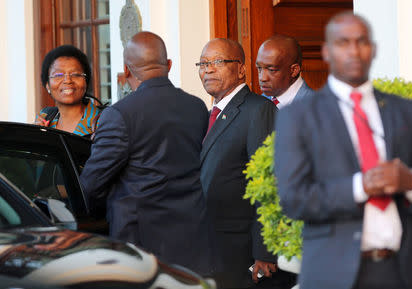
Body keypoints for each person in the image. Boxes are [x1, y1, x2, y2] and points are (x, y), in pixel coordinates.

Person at [275, 12, 412, 289]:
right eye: (343, 42)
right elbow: (294, 199)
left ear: (374, 49)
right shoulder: (298, 117)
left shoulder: (407, 112)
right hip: (335, 275)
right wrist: (360, 186)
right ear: (327, 51)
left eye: (362, 42)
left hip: (408, 273)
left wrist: (411, 182)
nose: (354, 51)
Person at [79, 31, 215, 276]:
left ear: (126, 70)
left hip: (141, 246)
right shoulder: (197, 108)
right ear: (169, 65)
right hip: (194, 240)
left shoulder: (119, 115)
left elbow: (91, 183)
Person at [198, 38, 279, 289]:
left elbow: (267, 183)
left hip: (240, 248)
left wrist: (265, 252)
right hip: (209, 246)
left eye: (218, 62)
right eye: (203, 63)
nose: (208, 69)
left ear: (241, 69)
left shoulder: (259, 110)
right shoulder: (206, 115)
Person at [36, 45, 102, 137]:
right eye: (58, 75)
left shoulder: (103, 121)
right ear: (48, 86)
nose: (67, 80)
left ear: (85, 82)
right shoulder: (44, 118)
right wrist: (36, 137)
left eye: (75, 74)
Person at [256, 35, 314, 109]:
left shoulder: (317, 108)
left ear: (294, 70)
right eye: (259, 68)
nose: (262, 78)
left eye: (271, 70)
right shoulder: (258, 104)